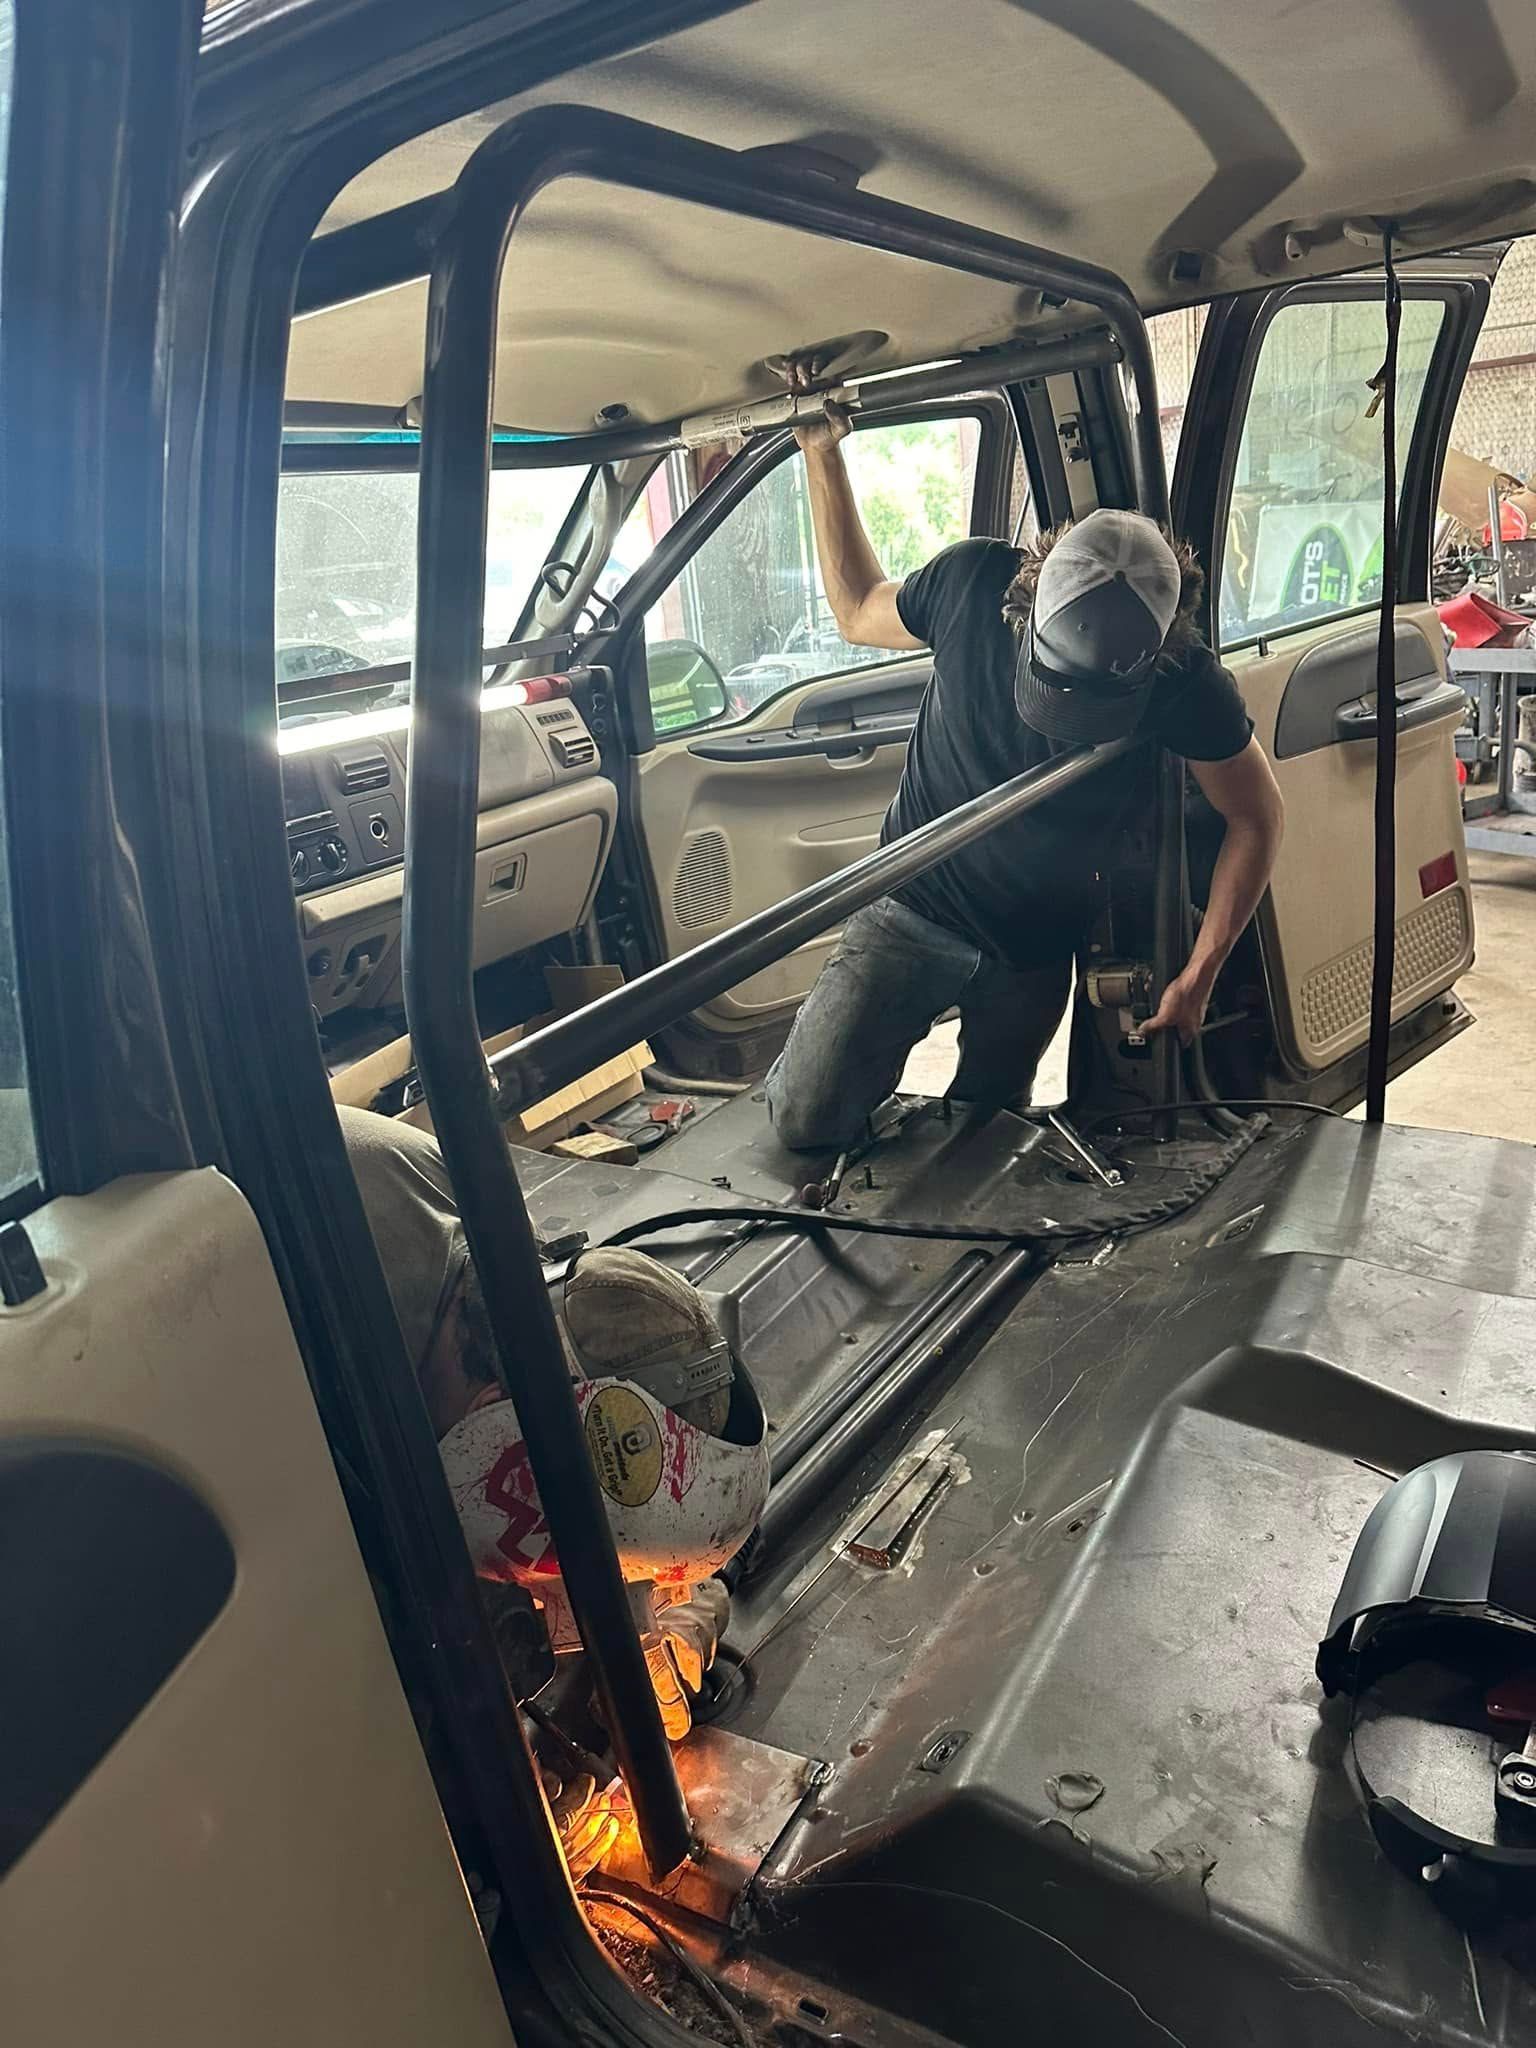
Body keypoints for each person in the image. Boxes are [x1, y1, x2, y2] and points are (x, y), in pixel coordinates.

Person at [764, 394, 1285, 1153]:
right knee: (805, 1122)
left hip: (1037, 944)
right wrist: (821, 451)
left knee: (986, 1132)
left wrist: (1203, 970)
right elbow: (854, 610)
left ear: (1164, 647)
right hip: (915, 904)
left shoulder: (1186, 680)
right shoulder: (970, 582)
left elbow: (1256, 814)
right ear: (1025, 598)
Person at [337, 1106, 764, 1748]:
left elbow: (638, 1441)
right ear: (501, 1449)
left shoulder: (503, 1262)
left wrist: (668, 1592)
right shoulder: (312, 1381)